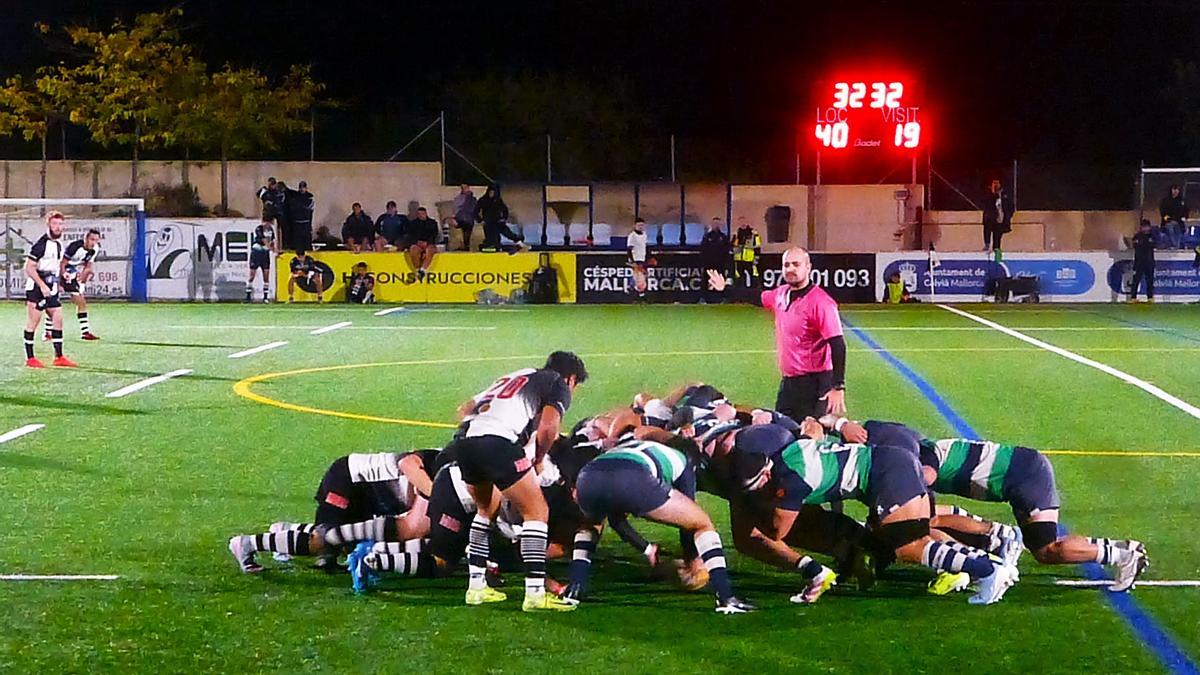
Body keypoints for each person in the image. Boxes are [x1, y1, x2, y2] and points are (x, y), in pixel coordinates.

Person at [736, 418, 1018, 605]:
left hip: (884, 473)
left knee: (909, 547)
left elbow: (778, 531)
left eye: (758, 481)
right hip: (889, 462)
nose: (759, 486)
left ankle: (987, 570)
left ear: (767, 468)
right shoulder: (793, 450)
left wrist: (755, 508)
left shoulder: (792, 480)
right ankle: (993, 562)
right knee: (921, 534)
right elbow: (814, 431)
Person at [442, 351, 587, 612]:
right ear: (571, 379)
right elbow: (548, 427)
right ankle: (535, 594)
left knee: (485, 510)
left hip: (464, 443)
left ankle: (476, 588)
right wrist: (538, 458)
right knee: (537, 511)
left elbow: (465, 408)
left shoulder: (517, 375)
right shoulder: (557, 383)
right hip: (497, 443)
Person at [917, 436, 1148, 592]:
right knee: (927, 518)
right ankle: (1120, 547)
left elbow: (927, 495)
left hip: (1023, 476)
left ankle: (1124, 558)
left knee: (1047, 551)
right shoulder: (917, 453)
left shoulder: (921, 459)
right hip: (1023, 471)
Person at [566, 436, 755, 614]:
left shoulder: (642, 446)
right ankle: (726, 596)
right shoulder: (684, 461)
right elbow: (687, 526)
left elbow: (616, 520)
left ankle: (575, 587)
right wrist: (692, 560)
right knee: (702, 523)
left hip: (588, 476)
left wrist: (646, 548)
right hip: (632, 476)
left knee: (591, 525)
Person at [227, 450, 439, 574]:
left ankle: (286, 531)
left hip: (368, 495)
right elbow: (407, 463)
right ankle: (247, 544)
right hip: (348, 480)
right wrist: (436, 494)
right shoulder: (442, 463)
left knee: (348, 542)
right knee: (324, 541)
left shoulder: (447, 465)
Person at [709, 248, 846, 420]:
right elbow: (756, 297)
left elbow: (838, 344)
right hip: (789, 383)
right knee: (781, 428)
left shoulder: (821, 302)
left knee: (811, 431)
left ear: (808, 267)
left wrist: (838, 386)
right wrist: (725, 289)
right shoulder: (781, 294)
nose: (790, 269)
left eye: (796, 264)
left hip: (816, 383)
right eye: (786, 265)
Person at [23, 211, 75, 368]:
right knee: (33, 321)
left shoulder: (59, 244)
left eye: (60, 224)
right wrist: (42, 285)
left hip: (51, 287)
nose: (58, 227)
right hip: (36, 288)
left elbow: (57, 266)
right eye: (55, 224)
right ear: (48, 225)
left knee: (58, 316)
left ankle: (59, 357)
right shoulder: (41, 245)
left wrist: (63, 276)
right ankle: (30, 358)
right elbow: (29, 268)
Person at [44, 228, 102, 341]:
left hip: (71, 271)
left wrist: (83, 279)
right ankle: (47, 332)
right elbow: (62, 263)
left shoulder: (94, 249)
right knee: (53, 302)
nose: (93, 243)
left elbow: (88, 266)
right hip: (58, 268)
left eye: (96, 240)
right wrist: (60, 279)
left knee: (81, 301)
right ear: (86, 239)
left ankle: (85, 332)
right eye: (92, 239)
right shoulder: (74, 247)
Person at [474, 184, 523, 251]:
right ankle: (495, 247)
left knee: (508, 233)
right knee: (492, 239)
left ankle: (519, 242)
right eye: (490, 192)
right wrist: (480, 220)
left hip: (498, 222)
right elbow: (475, 211)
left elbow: (505, 210)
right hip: (488, 223)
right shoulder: (483, 200)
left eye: (493, 193)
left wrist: (504, 218)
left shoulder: (498, 200)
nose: (491, 194)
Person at [699, 217, 730, 303]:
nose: (716, 225)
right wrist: (704, 261)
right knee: (705, 280)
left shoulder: (723, 237)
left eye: (717, 223)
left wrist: (725, 261)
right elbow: (703, 249)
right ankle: (703, 298)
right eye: (714, 223)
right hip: (708, 264)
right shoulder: (707, 237)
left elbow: (727, 250)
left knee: (721, 280)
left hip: (720, 264)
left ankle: (723, 298)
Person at [245, 217, 276, 303]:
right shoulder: (259, 229)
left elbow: (272, 241)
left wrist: (273, 248)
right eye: (265, 222)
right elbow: (264, 240)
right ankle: (248, 296)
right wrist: (272, 249)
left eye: (269, 222)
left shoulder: (271, 230)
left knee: (266, 275)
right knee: (252, 275)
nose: (267, 224)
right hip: (257, 252)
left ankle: (265, 297)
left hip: (265, 253)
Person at [983, 179, 1014, 253]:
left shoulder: (1005, 194)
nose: (996, 185)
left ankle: (997, 250)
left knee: (997, 235)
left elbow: (1011, 205)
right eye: (994, 183)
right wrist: (993, 193)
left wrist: (1008, 215)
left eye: (997, 183)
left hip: (1001, 218)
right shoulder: (989, 194)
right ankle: (987, 245)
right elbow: (986, 204)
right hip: (991, 218)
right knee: (988, 229)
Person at [407, 207, 439, 279]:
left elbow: (434, 235)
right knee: (413, 249)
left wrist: (427, 243)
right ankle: (417, 270)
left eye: (422, 214)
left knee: (429, 250)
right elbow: (410, 235)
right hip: (417, 244)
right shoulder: (413, 224)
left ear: (426, 214)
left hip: (429, 243)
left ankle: (423, 270)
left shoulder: (432, 223)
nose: (421, 215)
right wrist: (417, 242)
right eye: (419, 214)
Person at [1129, 219, 1156, 303]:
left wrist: (1145, 244)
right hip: (1139, 261)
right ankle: (1133, 297)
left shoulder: (1152, 236)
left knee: (1150, 280)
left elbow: (1153, 244)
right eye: (1143, 227)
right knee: (1136, 279)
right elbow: (1136, 245)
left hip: (1149, 261)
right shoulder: (1137, 236)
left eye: (1147, 227)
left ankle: (1150, 297)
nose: (1145, 228)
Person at [732, 216, 761, 288]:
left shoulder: (753, 234)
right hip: (739, 260)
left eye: (744, 222)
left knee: (754, 277)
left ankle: (754, 291)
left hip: (750, 260)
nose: (743, 223)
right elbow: (733, 246)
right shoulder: (736, 234)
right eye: (741, 222)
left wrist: (756, 259)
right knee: (739, 279)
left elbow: (757, 247)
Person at [285, 180, 315, 251]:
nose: (302, 189)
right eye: (301, 187)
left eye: (303, 187)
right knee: (297, 241)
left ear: (306, 188)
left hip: (306, 223)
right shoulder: (295, 196)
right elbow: (293, 208)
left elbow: (309, 208)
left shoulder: (310, 197)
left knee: (306, 241)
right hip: (297, 222)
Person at [1159, 184, 1187, 249]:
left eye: (1177, 189)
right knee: (1170, 228)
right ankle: (1174, 245)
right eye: (1174, 189)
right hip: (1168, 222)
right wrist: (1169, 219)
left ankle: (1177, 245)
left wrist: (1184, 217)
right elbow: (1163, 212)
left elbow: (1186, 211)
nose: (1175, 191)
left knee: (1178, 229)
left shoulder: (1182, 201)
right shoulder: (1165, 201)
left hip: (1179, 222)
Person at [627, 217, 649, 299]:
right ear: (635, 225)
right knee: (639, 276)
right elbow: (629, 249)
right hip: (636, 258)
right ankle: (640, 293)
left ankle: (630, 288)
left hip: (642, 258)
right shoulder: (632, 236)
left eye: (642, 225)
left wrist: (647, 257)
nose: (640, 227)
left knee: (640, 276)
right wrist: (631, 260)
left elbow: (645, 247)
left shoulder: (644, 235)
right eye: (639, 225)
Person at [454, 185, 478, 251]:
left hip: (469, 218)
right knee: (465, 224)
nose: (464, 189)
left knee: (467, 224)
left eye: (466, 187)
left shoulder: (473, 199)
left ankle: (466, 246)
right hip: (460, 217)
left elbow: (474, 209)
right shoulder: (458, 198)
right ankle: (466, 245)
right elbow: (456, 210)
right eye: (463, 188)